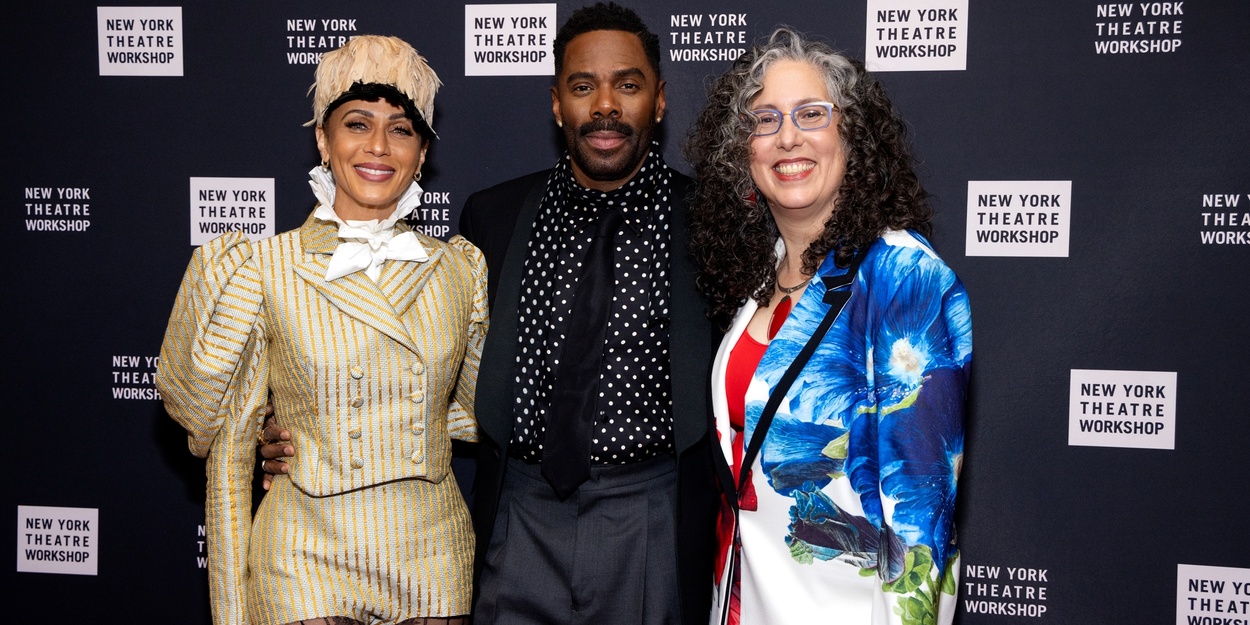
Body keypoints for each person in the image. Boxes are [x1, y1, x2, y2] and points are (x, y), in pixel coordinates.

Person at [157, 35, 486, 625]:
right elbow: (204, 411)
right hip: (304, 546)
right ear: (323, 139)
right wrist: (261, 426)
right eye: (357, 124)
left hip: (430, 543)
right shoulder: (261, 266)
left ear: (422, 152)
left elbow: (479, 407)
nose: (379, 147)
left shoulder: (459, 270)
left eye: (402, 129)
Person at [685, 27, 972, 625]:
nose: (787, 136)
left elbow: (920, 530)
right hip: (743, 602)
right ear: (743, 149)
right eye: (764, 120)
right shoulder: (757, 277)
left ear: (853, 137)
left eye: (811, 114)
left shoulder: (901, 278)